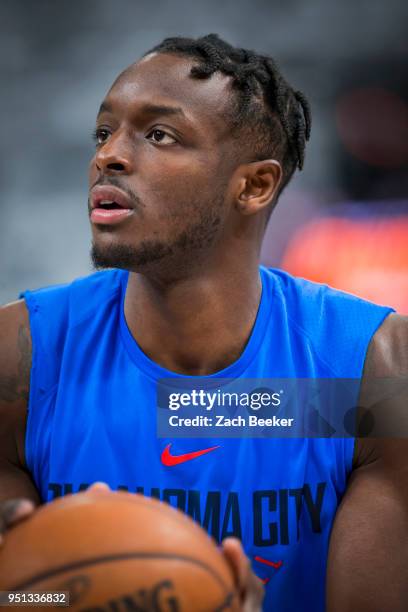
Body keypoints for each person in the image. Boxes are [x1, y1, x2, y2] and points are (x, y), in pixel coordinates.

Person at [0, 33, 407, 612]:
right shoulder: (18, 360)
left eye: (159, 134)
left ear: (255, 185)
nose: (107, 155)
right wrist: (45, 594)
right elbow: (23, 600)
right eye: (103, 131)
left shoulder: (377, 375)